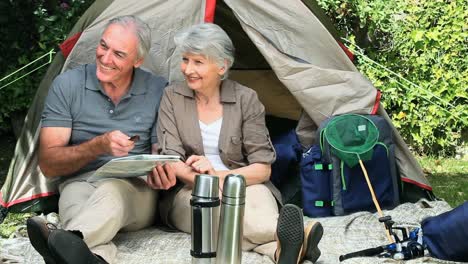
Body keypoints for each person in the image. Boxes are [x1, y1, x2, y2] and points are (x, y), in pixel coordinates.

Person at [156, 23, 323, 264]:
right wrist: (207, 181)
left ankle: (281, 251)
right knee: (218, 217)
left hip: (244, 181)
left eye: (198, 62)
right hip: (190, 189)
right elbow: (172, 161)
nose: (187, 69)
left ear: (222, 66)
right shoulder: (172, 97)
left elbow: (262, 168)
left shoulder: (246, 98)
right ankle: (293, 242)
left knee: (253, 211)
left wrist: (220, 176)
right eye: (185, 60)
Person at [26, 15, 176, 264]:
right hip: (79, 184)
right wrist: (98, 145)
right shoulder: (68, 85)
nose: (105, 59)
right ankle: (90, 256)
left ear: (137, 60)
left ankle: (58, 242)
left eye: (118, 54)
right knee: (79, 224)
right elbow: (48, 164)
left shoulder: (158, 89)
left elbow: (161, 151)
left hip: (135, 190)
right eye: (103, 46)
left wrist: (163, 172)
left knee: (112, 191)